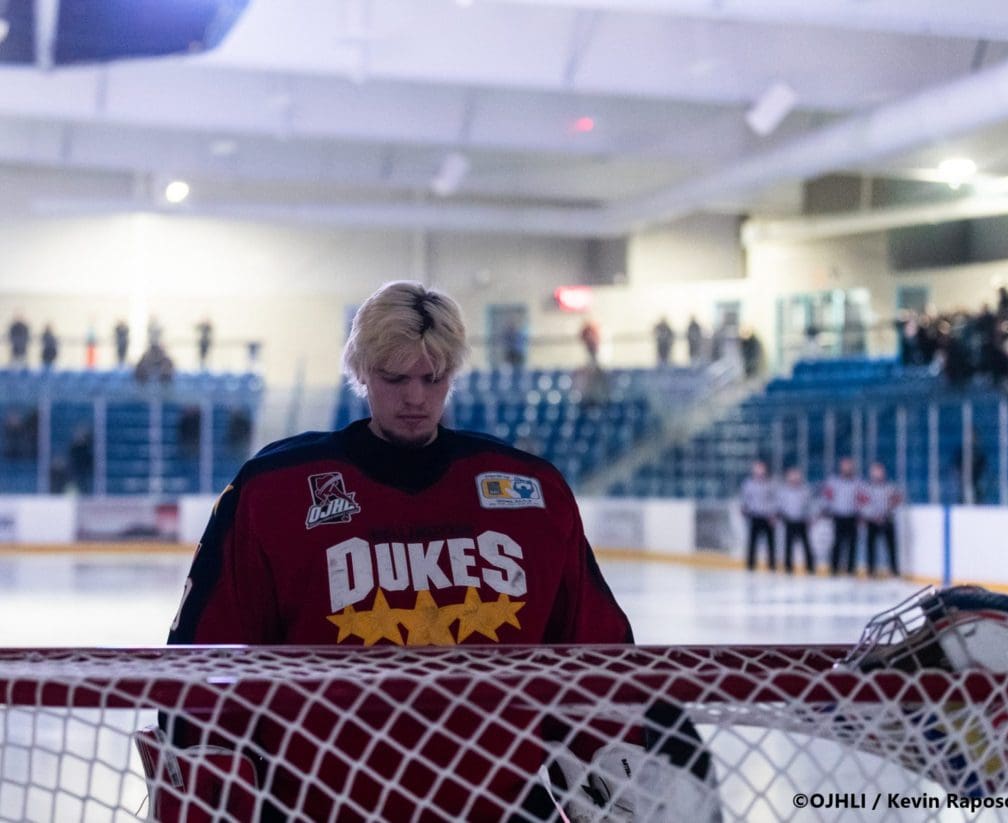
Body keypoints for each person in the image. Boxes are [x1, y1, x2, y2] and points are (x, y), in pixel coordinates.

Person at [164, 282, 715, 822]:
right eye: (394, 377)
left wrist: (620, 752)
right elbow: (209, 654)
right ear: (361, 373)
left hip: (500, 805)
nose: (415, 398)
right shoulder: (275, 490)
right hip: (322, 805)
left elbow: (593, 652)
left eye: (433, 378)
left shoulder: (531, 493)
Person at [857, 462, 902, 577]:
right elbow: (863, 504)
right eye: (875, 471)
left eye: (879, 471)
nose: (877, 474)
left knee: (891, 546)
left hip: (887, 519)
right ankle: (871, 571)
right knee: (870, 546)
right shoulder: (866, 488)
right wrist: (873, 515)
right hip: (872, 520)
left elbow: (896, 501)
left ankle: (894, 570)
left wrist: (886, 513)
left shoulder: (890, 487)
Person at [821, 457, 861, 575]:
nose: (847, 468)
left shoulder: (858, 482)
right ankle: (834, 569)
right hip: (838, 515)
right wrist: (826, 509)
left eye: (849, 466)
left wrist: (862, 513)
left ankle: (850, 570)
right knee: (837, 543)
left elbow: (862, 499)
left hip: (852, 516)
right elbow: (826, 496)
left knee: (852, 544)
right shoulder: (833, 482)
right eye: (844, 466)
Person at [777, 466, 815, 574]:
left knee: (807, 546)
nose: (794, 478)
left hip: (802, 521)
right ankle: (788, 568)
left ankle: (810, 568)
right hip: (789, 520)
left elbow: (809, 506)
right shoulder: (783, 491)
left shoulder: (805, 490)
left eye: (796, 475)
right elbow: (780, 505)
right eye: (791, 476)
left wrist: (810, 517)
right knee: (788, 546)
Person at [740, 460, 777, 571]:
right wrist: (744, 508)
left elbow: (774, 500)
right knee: (752, 542)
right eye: (757, 468)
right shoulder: (748, 484)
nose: (759, 470)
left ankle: (772, 566)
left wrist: (773, 514)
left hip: (767, 516)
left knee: (770, 543)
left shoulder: (770, 484)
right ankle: (750, 565)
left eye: (761, 468)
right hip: (754, 515)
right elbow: (745, 499)